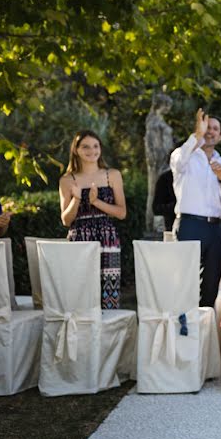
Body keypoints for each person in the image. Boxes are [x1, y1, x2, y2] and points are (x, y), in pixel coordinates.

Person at [170, 109, 221, 308]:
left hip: (215, 229)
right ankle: (185, 329)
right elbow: (178, 164)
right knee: (184, 282)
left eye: (215, 129)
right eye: (207, 127)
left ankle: (205, 331)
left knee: (211, 284)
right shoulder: (183, 155)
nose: (209, 131)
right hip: (189, 225)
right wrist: (196, 136)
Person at [58, 131, 126, 309]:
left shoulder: (113, 175)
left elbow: (121, 213)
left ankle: (108, 336)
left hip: (107, 237)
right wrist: (77, 199)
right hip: (79, 239)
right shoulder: (67, 180)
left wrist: (96, 202)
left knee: (108, 294)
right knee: (79, 293)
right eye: (85, 147)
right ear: (76, 150)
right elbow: (66, 220)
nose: (91, 151)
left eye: (95, 146)